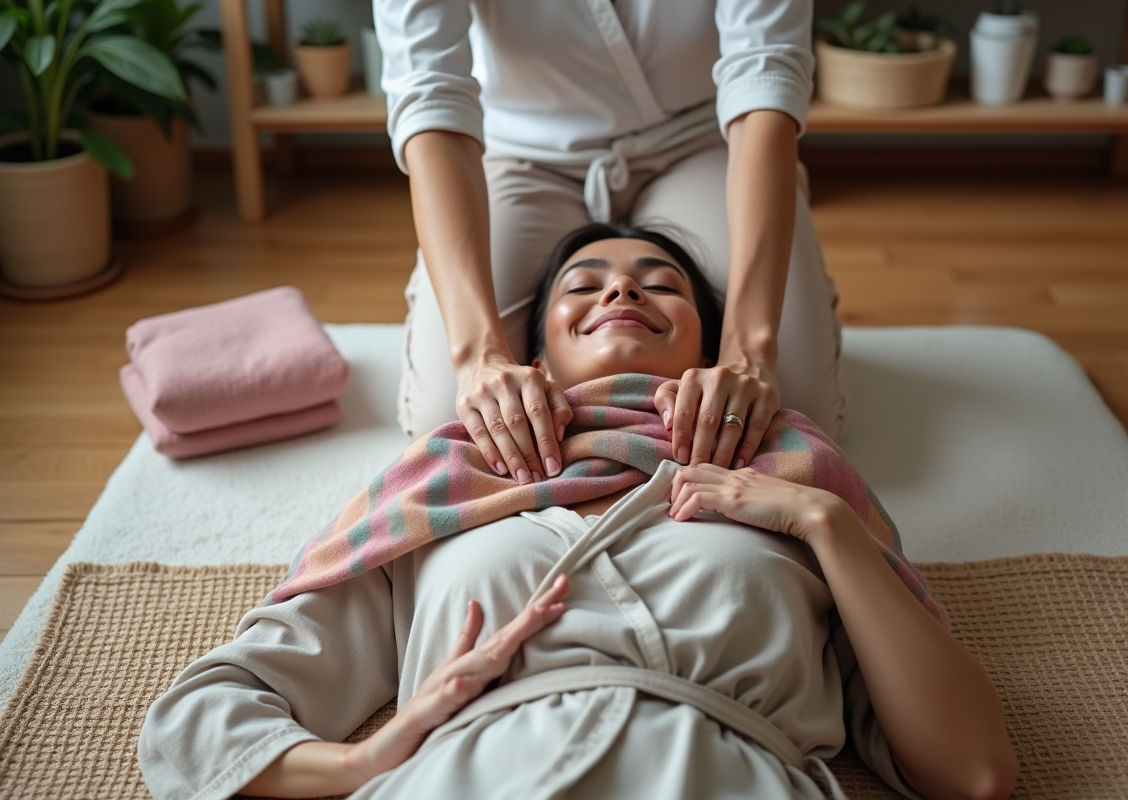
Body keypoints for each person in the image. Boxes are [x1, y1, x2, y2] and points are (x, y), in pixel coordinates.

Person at [138, 226, 1017, 800]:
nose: (621, 293)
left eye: (659, 284)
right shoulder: (445, 481)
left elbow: (973, 772)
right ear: (538, 356)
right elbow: (199, 721)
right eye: (583, 286)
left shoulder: (796, 471)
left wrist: (819, 522)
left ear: (708, 347)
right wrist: (365, 761)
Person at [376, 0, 849, 492]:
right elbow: (427, 91)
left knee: (791, 406)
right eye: (587, 286)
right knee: (449, 418)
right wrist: (478, 356)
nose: (622, 289)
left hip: (705, 132)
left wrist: (751, 349)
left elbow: (766, 67)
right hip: (513, 142)